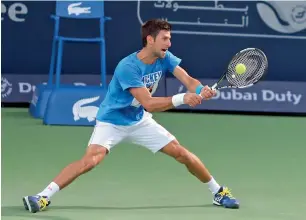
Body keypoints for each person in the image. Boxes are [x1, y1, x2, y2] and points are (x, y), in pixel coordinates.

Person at [22, 19, 239, 213]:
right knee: (90, 161)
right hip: (112, 121)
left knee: (181, 153)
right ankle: (43, 197)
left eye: (169, 38)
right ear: (150, 40)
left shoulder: (165, 57)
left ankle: (218, 192)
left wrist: (201, 91)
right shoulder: (128, 67)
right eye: (165, 39)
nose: (169, 43)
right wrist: (183, 99)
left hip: (138, 120)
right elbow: (149, 104)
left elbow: (189, 80)